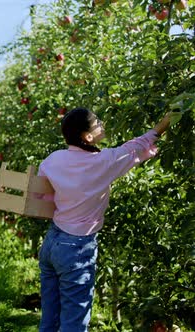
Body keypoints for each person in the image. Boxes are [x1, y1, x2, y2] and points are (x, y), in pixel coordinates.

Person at [36, 107, 173, 331]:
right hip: (77, 249)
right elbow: (134, 148)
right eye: (97, 122)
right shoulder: (103, 162)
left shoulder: (53, 160)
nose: (102, 123)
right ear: (87, 137)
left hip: (52, 242)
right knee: (74, 321)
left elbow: (42, 196)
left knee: (50, 317)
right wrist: (162, 126)